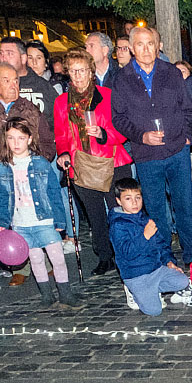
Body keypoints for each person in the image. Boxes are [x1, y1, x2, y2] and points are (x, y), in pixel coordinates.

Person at [109, 25, 192, 265]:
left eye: (150, 44)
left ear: (158, 46)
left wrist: (187, 136)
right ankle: (164, 257)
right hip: (146, 155)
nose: (146, 49)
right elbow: (118, 118)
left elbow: (188, 108)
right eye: (140, 44)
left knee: (184, 206)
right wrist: (141, 136)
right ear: (131, 48)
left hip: (177, 150)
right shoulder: (122, 79)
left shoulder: (172, 73)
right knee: (156, 210)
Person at [52, 49, 127, 278]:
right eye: (73, 71)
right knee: (95, 216)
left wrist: (103, 133)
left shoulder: (108, 95)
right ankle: (105, 257)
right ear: (68, 74)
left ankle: (126, 255)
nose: (78, 76)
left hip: (112, 161)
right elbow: (61, 134)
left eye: (82, 70)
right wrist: (63, 153)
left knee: (120, 212)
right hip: (82, 164)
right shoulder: (61, 102)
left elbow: (123, 130)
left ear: (91, 72)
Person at [0, 119, 75, 312]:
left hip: (44, 220)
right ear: (5, 140)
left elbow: (54, 192)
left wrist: (59, 221)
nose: (16, 143)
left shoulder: (41, 163)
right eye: (11, 138)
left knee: (57, 258)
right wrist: (3, 222)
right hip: (21, 224)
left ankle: (66, 293)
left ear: (29, 139)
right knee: (36, 259)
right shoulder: (3, 168)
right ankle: (46, 295)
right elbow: (3, 197)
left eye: (21, 138)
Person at [108, 177, 192, 315]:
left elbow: (161, 244)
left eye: (138, 197)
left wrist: (169, 262)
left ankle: (153, 289)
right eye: (128, 199)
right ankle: (132, 290)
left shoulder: (146, 219)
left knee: (182, 281)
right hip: (136, 274)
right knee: (154, 310)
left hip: (156, 269)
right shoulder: (118, 225)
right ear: (119, 201)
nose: (134, 202)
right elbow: (127, 252)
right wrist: (145, 237)